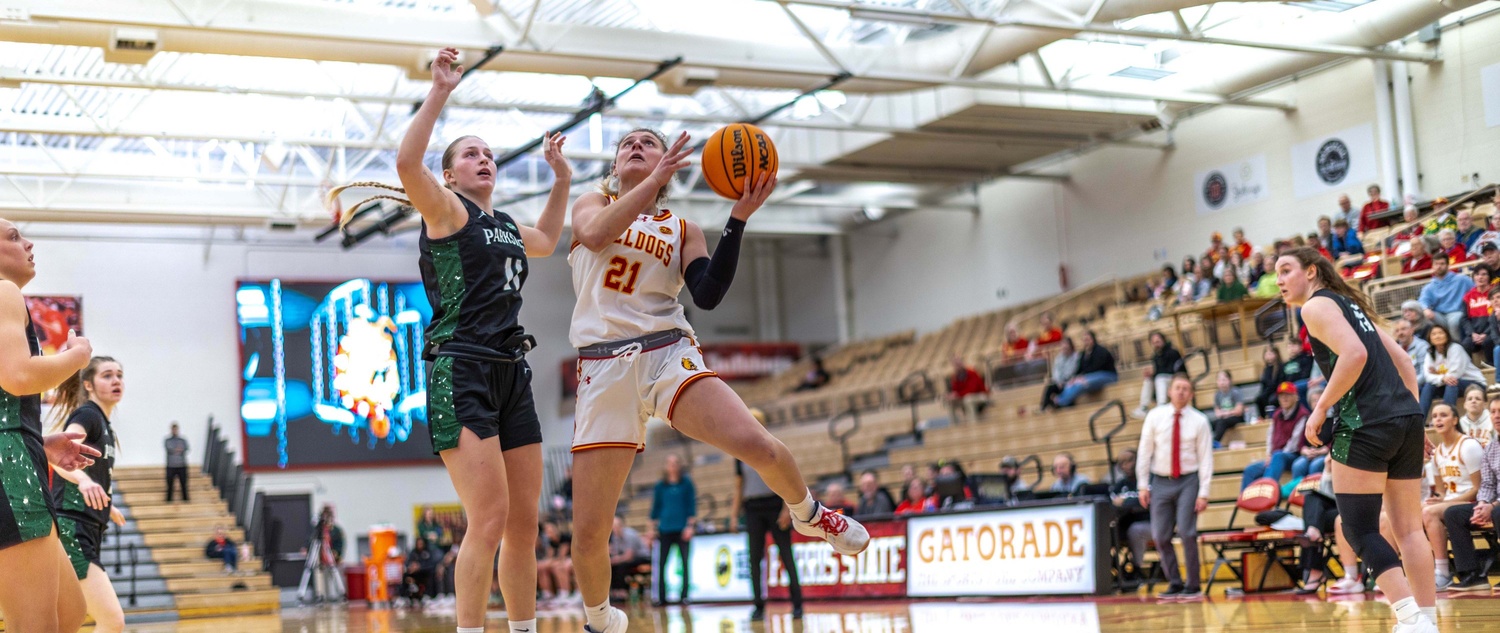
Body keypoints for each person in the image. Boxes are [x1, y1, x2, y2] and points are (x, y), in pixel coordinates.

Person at [565, 127, 867, 633]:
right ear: (615, 165)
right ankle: (600, 619)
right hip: (602, 366)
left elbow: (705, 295)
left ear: (671, 161)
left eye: (649, 142)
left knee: (758, 443)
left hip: (667, 351)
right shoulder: (592, 202)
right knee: (588, 533)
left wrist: (738, 219)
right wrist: (648, 185)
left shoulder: (682, 228)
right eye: (627, 144)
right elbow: (595, 236)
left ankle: (810, 513)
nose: (636, 147)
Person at [330, 47, 571, 633]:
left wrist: (561, 179)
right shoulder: (445, 211)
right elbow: (407, 162)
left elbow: (545, 237)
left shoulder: (507, 225)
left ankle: (523, 628)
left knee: (524, 526)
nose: (484, 158)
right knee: (487, 520)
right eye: (471, 153)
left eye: (489, 154)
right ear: (450, 173)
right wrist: (440, 90)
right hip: (459, 370)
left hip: (512, 373)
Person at [1277, 247, 1437, 632]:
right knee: (1409, 528)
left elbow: (1353, 355)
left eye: (1286, 270)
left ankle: (1410, 618)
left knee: (1359, 529)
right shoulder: (1349, 306)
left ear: (1311, 272)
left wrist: (1319, 410)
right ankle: (1427, 621)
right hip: (1404, 419)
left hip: (1366, 424)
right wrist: (1413, 414)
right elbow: (1403, 359)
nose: (1279, 280)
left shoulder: (1314, 308)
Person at [0, 218, 100, 633]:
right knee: (38, 625)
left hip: (18, 459)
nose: (27, 243)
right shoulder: (3, 291)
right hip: (10, 472)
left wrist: (39, 441)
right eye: (12, 236)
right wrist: (78, 356)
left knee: (69, 613)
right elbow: (19, 376)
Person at [48, 356, 128, 633]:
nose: (116, 380)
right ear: (88, 384)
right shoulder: (88, 415)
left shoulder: (105, 425)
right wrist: (82, 481)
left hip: (88, 526)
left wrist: (107, 504)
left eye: (119, 375)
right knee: (112, 621)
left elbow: (96, 474)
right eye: (107, 375)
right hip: (73, 527)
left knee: (65, 621)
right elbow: (59, 456)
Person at [1136, 375, 1213, 600]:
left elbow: (1206, 458)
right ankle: (1175, 582)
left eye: (1186, 389)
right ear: (1170, 391)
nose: (1181, 392)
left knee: (1188, 533)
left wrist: (1204, 492)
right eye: (1178, 388)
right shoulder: (1155, 416)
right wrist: (1142, 485)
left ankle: (1193, 585)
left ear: (1191, 394)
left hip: (1189, 480)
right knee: (1160, 536)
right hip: (1160, 481)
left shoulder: (1199, 421)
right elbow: (1144, 451)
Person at [729, 409, 803, 621]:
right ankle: (758, 606)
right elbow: (738, 486)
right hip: (752, 509)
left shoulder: (773, 447)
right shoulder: (739, 452)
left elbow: (787, 479)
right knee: (754, 558)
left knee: (786, 555)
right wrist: (734, 515)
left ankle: (797, 604)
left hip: (774, 504)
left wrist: (787, 508)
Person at [1421, 402, 1484, 590]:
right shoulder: (1438, 452)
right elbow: (1442, 491)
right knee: (1417, 511)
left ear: (1455, 420)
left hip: (1474, 502)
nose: (1438, 419)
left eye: (1443, 415)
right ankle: (1423, 570)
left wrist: (1447, 501)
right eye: (1435, 416)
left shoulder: (1468, 446)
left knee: (1429, 513)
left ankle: (1442, 572)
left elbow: (1479, 488)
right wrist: (1438, 499)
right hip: (1451, 503)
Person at [1440, 409, 1499, 592]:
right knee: (1453, 514)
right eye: (1494, 412)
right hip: (1492, 503)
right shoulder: (1491, 447)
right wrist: (1482, 504)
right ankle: (1471, 575)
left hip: (1497, 506)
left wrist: (1492, 506)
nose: (1497, 416)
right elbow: (1487, 483)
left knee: (1498, 512)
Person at [1240, 382, 1308, 490]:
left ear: (1296, 396)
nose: (1284, 398)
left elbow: (1295, 443)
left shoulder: (1303, 414)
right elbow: (1270, 436)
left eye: (1288, 395)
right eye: (1281, 396)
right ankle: (1245, 501)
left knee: (1278, 456)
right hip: (1276, 457)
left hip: (1293, 456)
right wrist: (1269, 454)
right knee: (1250, 470)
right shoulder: (1277, 414)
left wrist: (1274, 456)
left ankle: (1266, 492)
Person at [649, 454, 695, 606]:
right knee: (662, 564)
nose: (673, 466)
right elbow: (655, 509)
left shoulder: (686, 484)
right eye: (670, 463)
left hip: (682, 530)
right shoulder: (660, 486)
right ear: (666, 466)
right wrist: (651, 529)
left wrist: (690, 526)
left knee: (684, 563)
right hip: (665, 529)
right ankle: (661, 597)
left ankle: (684, 596)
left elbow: (691, 506)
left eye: (675, 463)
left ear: (679, 465)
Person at [1420, 324, 1485, 414]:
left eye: (1440, 333)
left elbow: (1455, 374)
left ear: (1447, 335)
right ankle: (1420, 421)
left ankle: (1446, 416)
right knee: (1428, 386)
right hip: (1449, 385)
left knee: (1452, 383)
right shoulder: (1430, 353)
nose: (1437, 336)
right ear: (1429, 338)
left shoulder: (1455, 348)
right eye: (1433, 334)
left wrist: (1437, 374)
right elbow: (1427, 376)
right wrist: (1442, 378)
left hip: (1474, 384)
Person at [1109, 449, 1151, 587]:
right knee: (1108, 532)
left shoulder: (1150, 479)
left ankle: (1137, 569)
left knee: (1135, 530)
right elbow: (1111, 502)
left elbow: (1149, 502)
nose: (1126, 465)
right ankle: (1112, 569)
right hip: (1126, 523)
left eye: (1129, 460)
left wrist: (1126, 501)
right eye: (1121, 463)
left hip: (1151, 523)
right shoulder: (1121, 484)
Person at [1052, 330, 1117, 408]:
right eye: (1084, 340)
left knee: (1082, 383)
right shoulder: (1083, 354)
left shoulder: (1101, 351)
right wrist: (1074, 378)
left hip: (1107, 375)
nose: (1086, 342)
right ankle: (1061, 400)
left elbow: (1097, 368)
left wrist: (1082, 378)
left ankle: (1061, 401)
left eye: (1087, 339)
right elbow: (1080, 369)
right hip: (1090, 376)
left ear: (1093, 339)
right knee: (1070, 383)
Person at [1419, 254, 1475, 334]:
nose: (1439, 267)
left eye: (1442, 264)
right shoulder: (1429, 286)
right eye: (1436, 264)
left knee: (1454, 322)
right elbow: (1423, 300)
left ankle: (1457, 345)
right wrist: (1426, 309)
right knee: (1424, 317)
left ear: (1448, 265)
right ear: (1432, 266)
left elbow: (1475, 289)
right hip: (1439, 315)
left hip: (1457, 312)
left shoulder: (1462, 280)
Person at [1133, 331, 1182, 419]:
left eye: (1158, 341)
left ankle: (1161, 405)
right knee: (1148, 379)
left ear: (1163, 340)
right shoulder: (1155, 356)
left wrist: (1155, 373)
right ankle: (1143, 406)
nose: (1156, 344)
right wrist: (1151, 374)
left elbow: (1172, 370)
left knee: (1160, 378)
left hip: (1175, 378)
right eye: (1154, 342)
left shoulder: (1172, 352)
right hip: (1162, 379)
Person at [309, 504, 346, 601]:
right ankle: (321, 596)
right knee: (321, 578)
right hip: (321, 558)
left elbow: (340, 543)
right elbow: (311, 540)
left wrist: (337, 553)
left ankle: (337, 595)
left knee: (334, 576)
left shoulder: (336, 530)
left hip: (332, 558)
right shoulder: (318, 530)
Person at [605, 517, 648, 596]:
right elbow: (616, 552)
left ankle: (623, 591)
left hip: (642, 557)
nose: (613, 529)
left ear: (620, 526)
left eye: (614, 527)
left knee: (622, 565)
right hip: (627, 558)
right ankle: (615, 591)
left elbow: (629, 556)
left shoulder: (629, 535)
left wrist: (615, 560)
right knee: (611, 566)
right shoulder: (615, 537)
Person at [1458, 267, 1494, 360]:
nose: (1480, 277)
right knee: (1465, 344)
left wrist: (1486, 334)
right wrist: (1472, 334)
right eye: (1477, 274)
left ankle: (1492, 368)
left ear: (1489, 277)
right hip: (1475, 333)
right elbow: (1464, 318)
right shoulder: (1468, 296)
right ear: (1473, 277)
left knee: (1488, 342)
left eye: (1484, 274)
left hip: (1492, 331)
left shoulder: (1495, 293)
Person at [1039, 337, 1079, 412]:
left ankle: (1061, 405)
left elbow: (1071, 371)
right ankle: (1043, 408)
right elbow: (1056, 371)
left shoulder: (1075, 357)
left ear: (1070, 346)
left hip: (1070, 381)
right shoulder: (1059, 357)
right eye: (1062, 345)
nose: (1064, 347)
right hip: (1059, 382)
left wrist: (1063, 381)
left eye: (1066, 344)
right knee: (1050, 387)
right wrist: (1058, 381)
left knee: (1068, 390)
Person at [1206, 370, 1245, 444]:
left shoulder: (1235, 392)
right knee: (1208, 423)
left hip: (1236, 418)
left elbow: (1238, 411)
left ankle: (1215, 442)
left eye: (1224, 380)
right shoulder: (1217, 394)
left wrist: (1226, 413)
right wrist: (1223, 414)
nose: (1222, 382)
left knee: (1221, 422)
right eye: (1219, 380)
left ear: (1229, 380)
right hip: (1225, 418)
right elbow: (1217, 412)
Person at [945, 356, 989, 423]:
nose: (957, 366)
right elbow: (956, 390)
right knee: (950, 402)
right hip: (965, 396)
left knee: (968, 399)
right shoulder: (955, 377)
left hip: (980, 395)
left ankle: (973, 423)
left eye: (958, 363)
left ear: (962, 363)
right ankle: (954, 424)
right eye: (955, 364)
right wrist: (951, 396)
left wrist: (958, 394)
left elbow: (972, 389)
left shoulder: (971, 373)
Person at [403, 537, 440, 605]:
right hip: (414, 573)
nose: (420, 545)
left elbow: (431, 564)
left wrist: (420, 567)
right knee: (405, 575)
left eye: (421, 544)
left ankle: (428, 596)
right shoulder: (413, 552)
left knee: (431, 574)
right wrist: (411, 567)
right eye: (418, 544)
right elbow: (408, 563)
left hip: (424, 573)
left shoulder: (428, 552)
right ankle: (404, 597)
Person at [1253, 346, 1286, 418]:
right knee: (1259, 399)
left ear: (1276, 354)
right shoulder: (1266, 369)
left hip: (1277, 390)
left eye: (1270, 353)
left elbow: (1280, 382)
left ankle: (1275, 416)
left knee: (1272, 399)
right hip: (1268, 391)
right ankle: (1262, 417)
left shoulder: (1280, 367)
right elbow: (1263, 384)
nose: (1268, 355)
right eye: (1266, 354)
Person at [164, 422, 189, 503]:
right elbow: (170, 449)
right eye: (173, 429)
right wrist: (178, 449)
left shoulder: (182, 440)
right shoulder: (167, 440)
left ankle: (186, 501)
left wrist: (176, 450)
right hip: (171, 466)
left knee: (184, 485)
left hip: (182, 465)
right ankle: (168, 501)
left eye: (176, 429)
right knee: (170, 485)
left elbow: (185, 448)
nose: (174, 431)